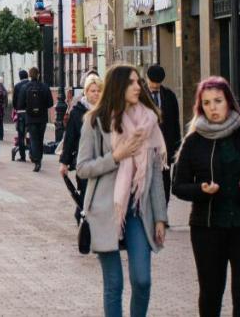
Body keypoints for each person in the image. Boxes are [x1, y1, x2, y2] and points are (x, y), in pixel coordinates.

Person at [173, 76, 240, 317]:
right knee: (211, 294)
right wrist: (201, 189)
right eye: (207, 103)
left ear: (229, 102)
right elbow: (178, 186)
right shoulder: (193, 142)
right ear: (201, 106)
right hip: (207, 228)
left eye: (218, 101)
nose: (213, 108)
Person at [76, 64, 169, 317]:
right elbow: (82, 168)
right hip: (106, 210)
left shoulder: (147, 122)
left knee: (142, 280)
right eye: (132, 83)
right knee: (114, 284)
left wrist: (160, 216)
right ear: (118, 86)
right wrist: (115, 157)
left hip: (139, 209)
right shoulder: (96, 121)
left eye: (138, 82)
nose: (138, 87)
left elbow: (154, 175)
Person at [59, 73, 103, 222]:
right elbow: (70, 138)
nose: (96, 94)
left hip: (103, 160)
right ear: (86, 91)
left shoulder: (106, 111)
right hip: (83, 160)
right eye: (93, 90)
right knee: (86, 193)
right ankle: (83, 221)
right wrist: (64, 162)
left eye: (99, 91)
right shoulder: (78, 112)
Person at [144, 64, 181, 203]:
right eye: (152, 82)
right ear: (147, 79)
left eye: (157, 83)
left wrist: (176, 148)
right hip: (146, 147)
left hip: (165, 147)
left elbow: (175, 123)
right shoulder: (140, 95)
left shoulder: (169, 96)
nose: (154, 85)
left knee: (165, 181)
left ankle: (163, 213)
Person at [19, 67, 54, 171]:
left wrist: (28, 107)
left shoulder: (25, 87)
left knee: (33, 139)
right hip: (42, 117)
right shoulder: (44, 87)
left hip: (30, 117)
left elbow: (20, 104)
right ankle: (39, 159)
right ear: (38, 74)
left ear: (29, 75)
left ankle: (36, 159)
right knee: (40, 138)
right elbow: (50, 103)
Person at [10, 69, 30, 162]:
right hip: (31, 114)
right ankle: (34, 154)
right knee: (32, 134)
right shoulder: (31, 84)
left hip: (21, 113)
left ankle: (23, 156)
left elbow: (14, 101)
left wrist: (16, 109)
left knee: (21, 135)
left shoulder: (17, 86)